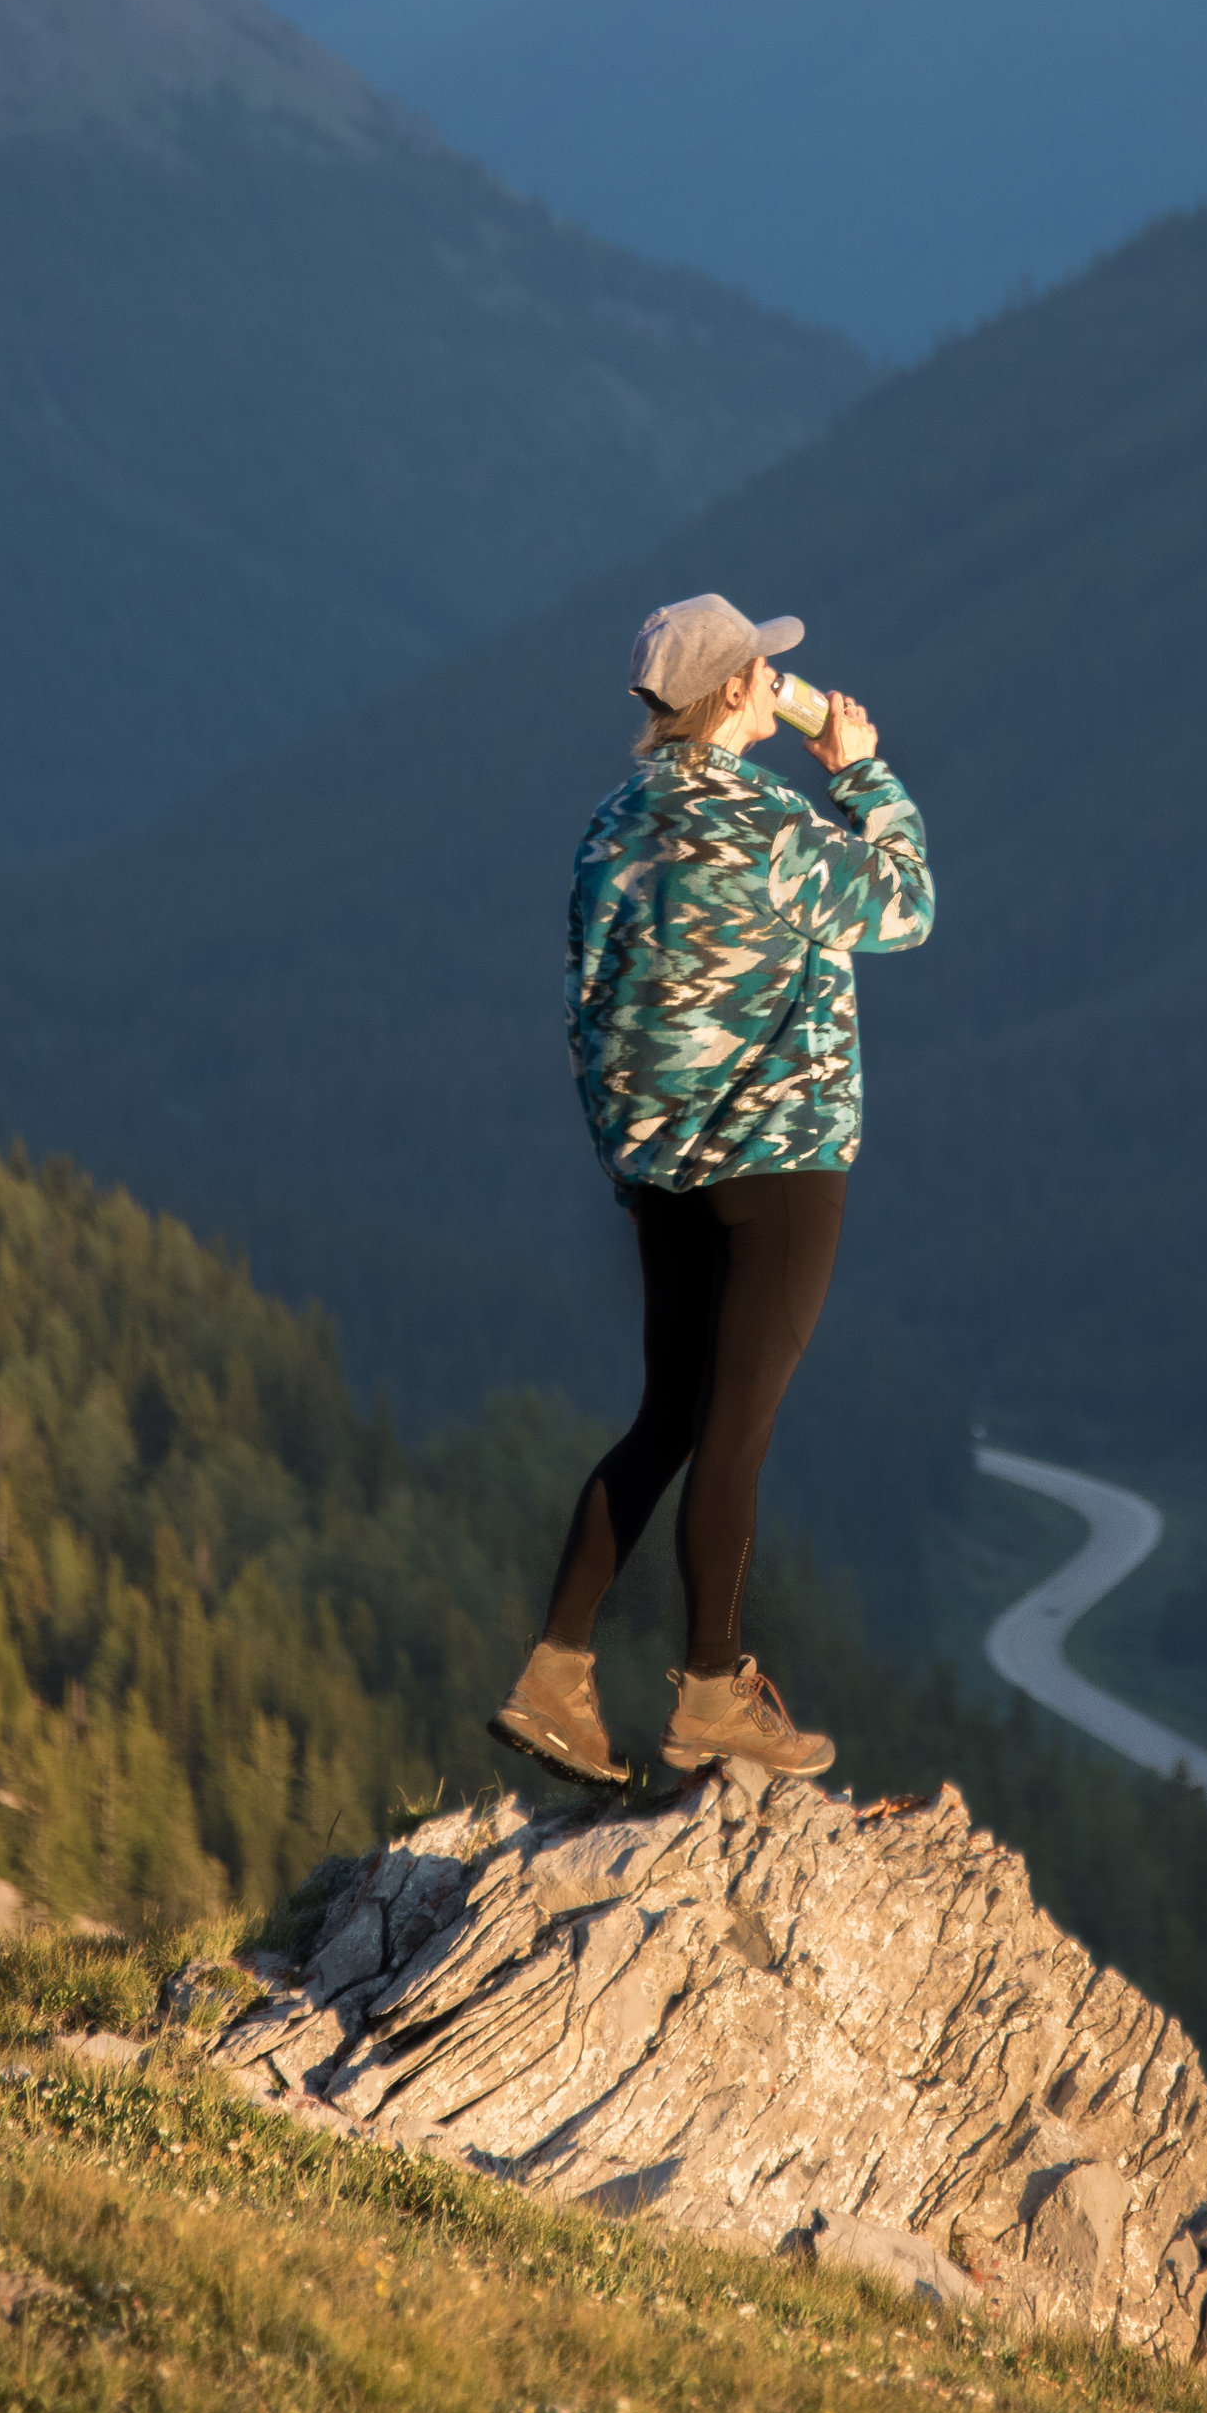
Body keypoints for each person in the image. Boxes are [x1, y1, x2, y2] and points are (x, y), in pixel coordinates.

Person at [488, 589, 935, 1792]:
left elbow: (584, 1009)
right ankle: (711, 1694)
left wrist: (627, 1167)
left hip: (661, 1171)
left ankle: (555, 1675)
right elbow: (905, 904)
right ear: (739, 689)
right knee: (734, 1431)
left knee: (669, 1419)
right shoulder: (767, 820)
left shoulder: (610, 828)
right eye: (763, 670)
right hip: (781, 1161)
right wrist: (863, 771)